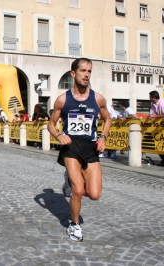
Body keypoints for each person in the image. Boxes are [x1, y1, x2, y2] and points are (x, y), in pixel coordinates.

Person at [47, 58, 112, 242]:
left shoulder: (97, 98)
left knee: (94, 194)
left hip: (90, 147)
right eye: (83, 71)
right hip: (71, 147)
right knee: (77, 190)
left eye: (89, 71)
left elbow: (108, 119)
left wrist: (103, 137)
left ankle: (70, 180)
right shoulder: (63, 99)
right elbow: (50, 124)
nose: (86, 75)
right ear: (73, 73)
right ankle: (74, 225)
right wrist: (59, 136)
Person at [147, 90, 164, 167]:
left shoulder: (162, 103)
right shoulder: (153, 104)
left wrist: (154, 116)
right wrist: (150, 116)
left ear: (154, 97)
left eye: (150, 97)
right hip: (156, 127)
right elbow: (152, 113)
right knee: (157, 144)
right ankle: (163, 160)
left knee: (163, 144)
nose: (149, 98)